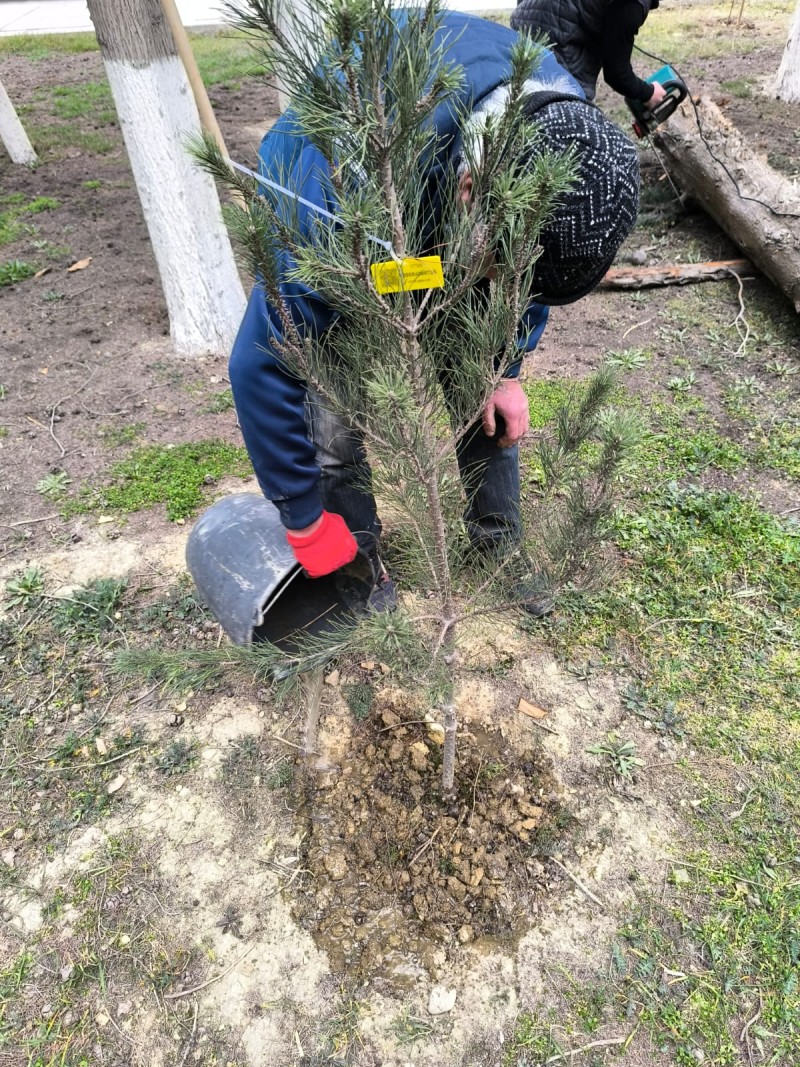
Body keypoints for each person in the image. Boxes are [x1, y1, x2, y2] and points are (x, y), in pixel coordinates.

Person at [228, 10, 640, 611]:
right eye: (501, 265)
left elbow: (524, 280)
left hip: (446, 201)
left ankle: (497, 549)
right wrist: (301, 515)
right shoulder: (328, 190)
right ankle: (356, 564)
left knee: (481, 379)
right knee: (331, 413)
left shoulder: (565, 130)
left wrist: (506, 368)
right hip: (361, 223)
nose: (505, 285)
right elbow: (262, 361)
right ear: (470, 190)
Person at [511, 0, 667, 109]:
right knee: (565, 116)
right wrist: (648, 93)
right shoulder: (631, 4)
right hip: (558, 43)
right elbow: (616, 73)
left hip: (520, 29)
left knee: (520, 104)